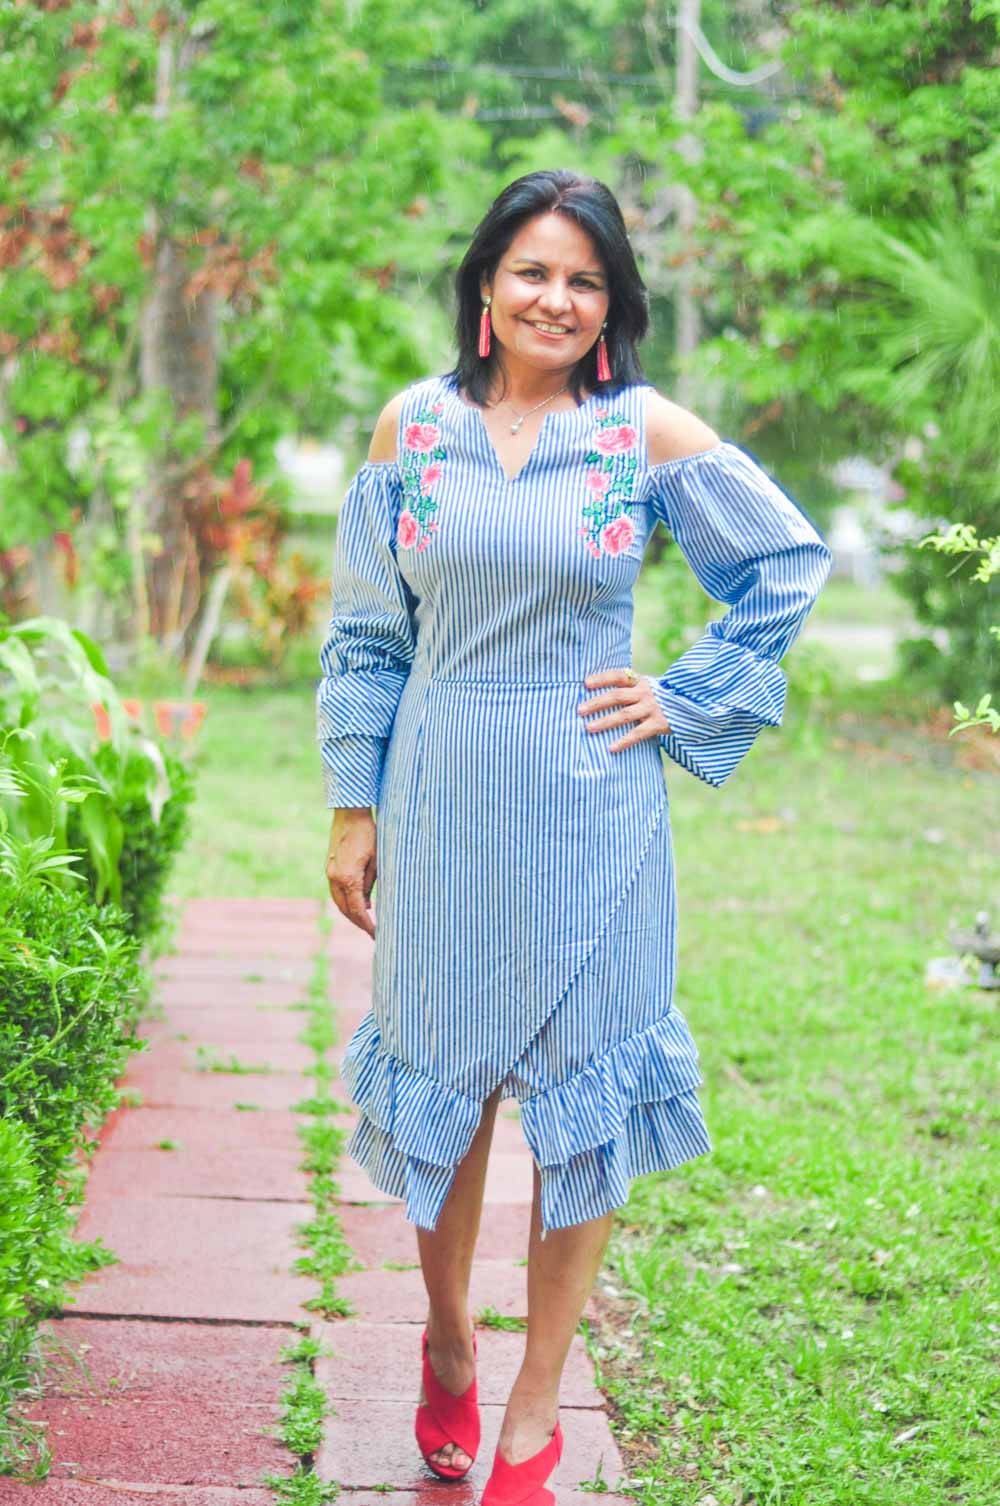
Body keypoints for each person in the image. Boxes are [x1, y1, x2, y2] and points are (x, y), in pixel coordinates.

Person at [317, 169, 833, 1506]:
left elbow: (781, 564)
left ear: (611, 305)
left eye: (584, 278)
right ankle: (446, 1339)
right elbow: (369, 637)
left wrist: (689, 689)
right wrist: (351, 806)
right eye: (533, 269)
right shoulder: (409, 430)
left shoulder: (638, 431)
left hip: (598, 809)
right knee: (447, 1092)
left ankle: (537, 1409)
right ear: (486, 282)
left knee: (588, 1102)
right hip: (439, 800)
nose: (556, 296)